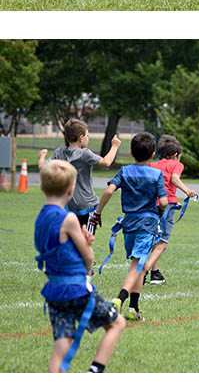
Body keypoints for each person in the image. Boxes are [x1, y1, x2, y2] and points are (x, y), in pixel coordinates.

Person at [35, 159, 125, 373]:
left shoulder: (40, 218)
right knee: (116, 324)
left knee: (61, 345)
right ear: (71, 189)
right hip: (76, 289)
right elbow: (88, 256)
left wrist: (80, 242)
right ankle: (94, 372)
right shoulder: (68, 218)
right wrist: (87, 254)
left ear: (41, 187)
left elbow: (57, 246)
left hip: (54, 290)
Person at [94, 132, 168, 321]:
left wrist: (98, 213)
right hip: (147, 223)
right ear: (153, 154)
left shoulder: (124, 171)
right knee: (137, 264)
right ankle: (120, 299)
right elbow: (165, 202)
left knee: (140, 265)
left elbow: (110, 190)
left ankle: (134, 309)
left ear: (132, 153)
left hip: (129, 224)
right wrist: (159, 212)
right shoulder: (156, 174)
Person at [38, 119, 121, 232]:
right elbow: (106, 162)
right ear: (81, 137)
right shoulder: (84, 153)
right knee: (86, 241)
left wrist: (42, 155)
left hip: (69, 205)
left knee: (72, 240)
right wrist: (115, 146)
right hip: (88, 207)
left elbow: (42, 167)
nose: (88, 137)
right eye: (87, 135)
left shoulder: (59, 152)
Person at [143, 135, 197, 285]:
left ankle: (155, 273)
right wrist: (187, 191)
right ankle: (145, 270)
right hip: (168, 205)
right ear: (175, 155)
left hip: (152, 205)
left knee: (155, 238)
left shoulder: (153, 165)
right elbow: (174, 179)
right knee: (163, 242)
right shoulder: (176, 165)